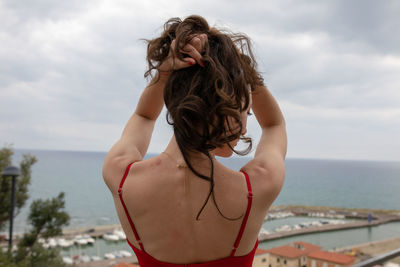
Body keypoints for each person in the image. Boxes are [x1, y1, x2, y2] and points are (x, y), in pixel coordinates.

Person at [103, 15, 286, 267]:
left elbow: (144, 115)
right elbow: (274, 124)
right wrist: (245, 71)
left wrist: (165, 73)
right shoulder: (259, 185)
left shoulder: (120, 176)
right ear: (227, 108)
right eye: (247, 111)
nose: (245, 127)